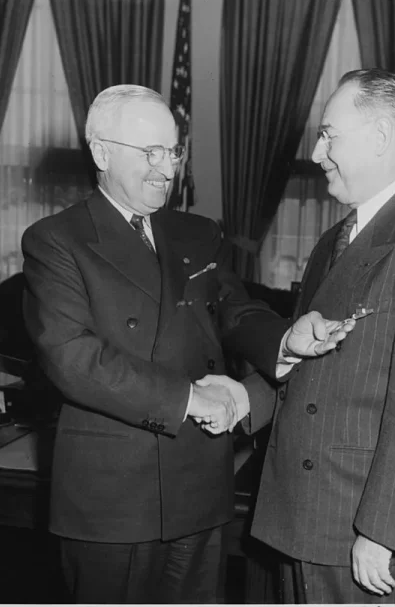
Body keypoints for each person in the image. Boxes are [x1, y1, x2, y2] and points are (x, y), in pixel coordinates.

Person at [21, 84, 351, 604]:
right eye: (148, 152)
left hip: (200, 483)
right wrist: (190, 398)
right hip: (113, 500)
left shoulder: (198, 232)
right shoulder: (56, 240)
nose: (166, 168)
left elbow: (235, 310)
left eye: (172, 151)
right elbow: (73, 358)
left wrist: (288, 338)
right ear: (101, 153)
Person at [203, 68, 395, 603]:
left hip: (359, 530)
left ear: (380, 136)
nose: (316, 151)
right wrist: (245, 397)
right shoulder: (336, 239)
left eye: (330, 133)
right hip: (307, 513)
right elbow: (320, 366)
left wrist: (381, 531)